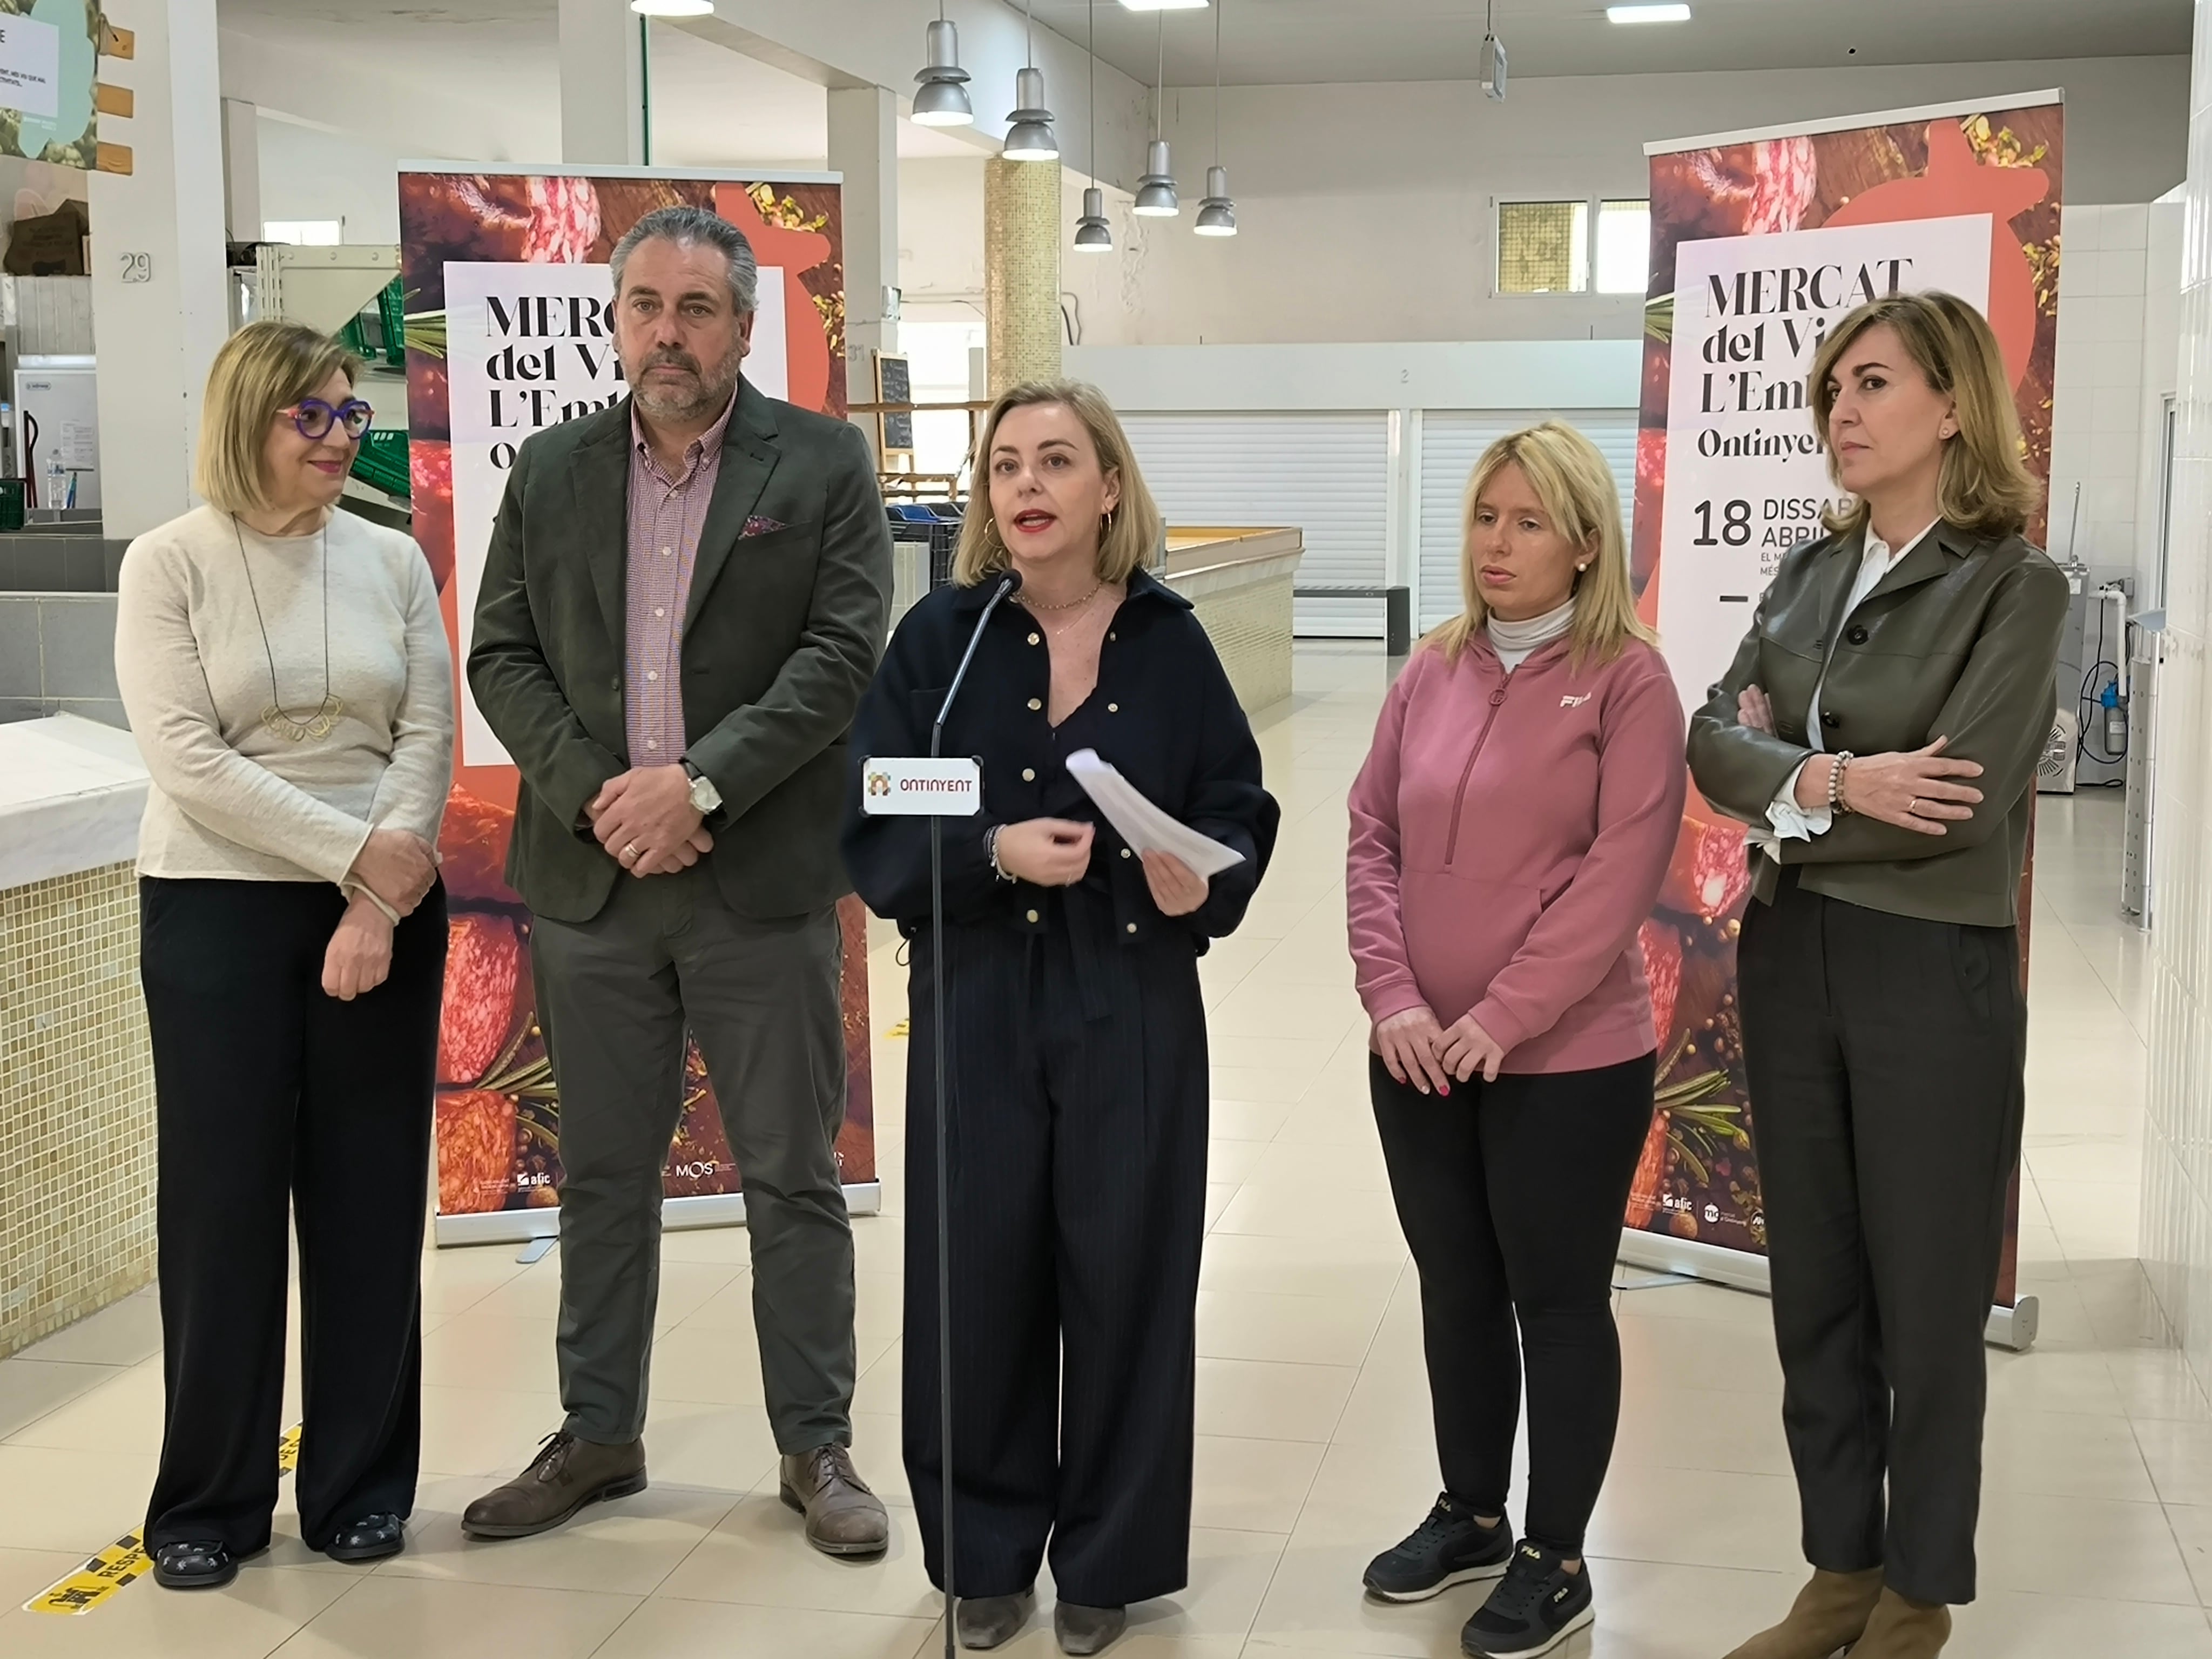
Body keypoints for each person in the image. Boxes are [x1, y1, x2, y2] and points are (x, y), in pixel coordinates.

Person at [463, 205, 894, 1554]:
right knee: (599, 1180)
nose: (665, 331)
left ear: (743, 328)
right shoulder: (550, 469)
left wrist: (696, 784)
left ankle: (814, 1448)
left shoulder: (819, 462)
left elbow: (840, 653)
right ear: (614, 316)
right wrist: (604, 793)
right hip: (594, 884)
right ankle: (599, 1435)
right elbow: (500, 654)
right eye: (642, 304)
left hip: (752, 878)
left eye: (694, 308)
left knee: (789, 1178)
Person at [842, 380, 1279, 1655]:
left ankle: (1109, 1555)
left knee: (1127, 1273)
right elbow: (883, 793)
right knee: (974, 1274)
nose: (1025, 486)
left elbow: (1237, 806)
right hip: (976, 990)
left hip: (1128, 991)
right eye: (1005, 466)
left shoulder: (1168, 643)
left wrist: (1206, 869)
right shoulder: (944, 640)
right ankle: (983, 1549)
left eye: (1055, 461)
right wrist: (986, 850)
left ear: (1106, 489)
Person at [1691, 292, 2068, 1659]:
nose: (1838, 412)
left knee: (1925, 1298)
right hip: (1791, 957)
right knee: (1818, 1289)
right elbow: (1705, 744)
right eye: (1829, 389)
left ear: (1951, 406)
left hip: (1930, 973)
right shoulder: (1802, 574)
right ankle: (1835, 1571)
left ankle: (1918, 1591)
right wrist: (1841, 776)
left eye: (1871, 385)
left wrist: (1779, 777)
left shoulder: (2015, 586)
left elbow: (1960, 801)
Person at [114, 321, 453, 1588]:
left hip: (386, 905)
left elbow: (424, 730)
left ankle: (361, 1484)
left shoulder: (392, 559)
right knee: (223, 1206)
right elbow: (189, 760)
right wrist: (356, 858)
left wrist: (379, 894)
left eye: (349, 415)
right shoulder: (169, 564)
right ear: (244, 420)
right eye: (309, 415)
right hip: (217, 904)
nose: (337, 436)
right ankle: (208, 1498)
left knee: (367, 1203)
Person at [1346, 421, 1686, 1659]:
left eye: (1528, 521)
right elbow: (1369, 834)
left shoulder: (1631, 683)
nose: (1498, 542)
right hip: (1417, 1057)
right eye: (1485, 517)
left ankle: (1556, 1556)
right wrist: (1393, 999)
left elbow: (1618, 876)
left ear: (1584, 543)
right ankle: (1471, 1511)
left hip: (1565, 1063)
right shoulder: (1429, 670)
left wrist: (1498, 1019)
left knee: (1555, 1301)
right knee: (1455, 1291)